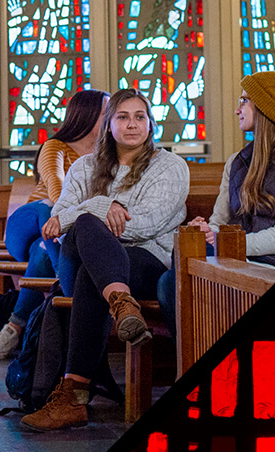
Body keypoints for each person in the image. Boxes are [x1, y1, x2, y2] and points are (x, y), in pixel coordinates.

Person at [21, 89, 189, 431]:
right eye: (122, 117)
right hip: (80, 257)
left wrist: (87, 213)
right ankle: (121, 303)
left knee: (91, 275)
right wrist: (102, 209)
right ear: (108, 124)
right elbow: (60, 214)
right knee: (85, 225)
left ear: (151, 124)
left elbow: (147, 224)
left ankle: (74, 396)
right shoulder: (85, 166)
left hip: (144, 261)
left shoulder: (170, 166)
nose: (132, 124)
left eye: (140, 116)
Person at [0, 89, 107, 359]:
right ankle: (69, 285)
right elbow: (55, 185)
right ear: (87, 115)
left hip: (50, 235)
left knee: (43, 247)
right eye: (106, 112)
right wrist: (68, 217)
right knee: (50, 212)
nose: (111, 119)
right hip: (29, 221)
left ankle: (14, 328)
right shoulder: (55, 146)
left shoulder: (105, 157)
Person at [190, 71, 275, 273]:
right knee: (181, 259)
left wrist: (225, 242)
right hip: (235, 257)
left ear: (267, 107)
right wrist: (205, 230)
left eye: (244, 100)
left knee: (179, 277)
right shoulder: (236, 162)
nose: (237, 110)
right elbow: (219, 223)